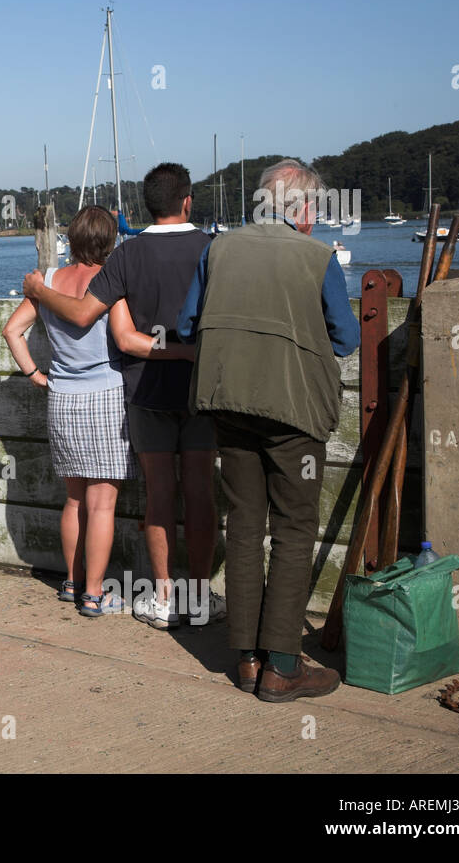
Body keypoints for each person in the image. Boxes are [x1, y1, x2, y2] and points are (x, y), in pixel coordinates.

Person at [177, 158, 360, 702]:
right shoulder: (317, 257)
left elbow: (187, 324)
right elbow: (346, 337)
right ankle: (283, 663)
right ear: (302, 208)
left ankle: (248, 660)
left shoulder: (219, 247)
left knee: (245, 524)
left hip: (227, 401)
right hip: (293, 411)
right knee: (294, 528)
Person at [23, 163, 223, 630]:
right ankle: (198, 597)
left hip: (144, 390)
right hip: (202, 392)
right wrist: (191, 351)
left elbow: (82, 314)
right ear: (188, 201)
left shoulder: (127, 257)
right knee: (199, 491)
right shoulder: (214, 250)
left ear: (146, 205)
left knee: (159, 494)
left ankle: (164, 598)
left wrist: (37, 288)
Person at [5, 206, 191, 616]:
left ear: (71, 240)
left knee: (74, 500)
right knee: (102, 503)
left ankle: (72, 583)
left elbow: (11, 330)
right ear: (110, 243)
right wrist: (183, 351)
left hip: (63, 398)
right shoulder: (110, 282)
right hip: (104, 396)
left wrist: (36, 374)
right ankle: (94, 594)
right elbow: (128, 342)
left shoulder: (48, 281)